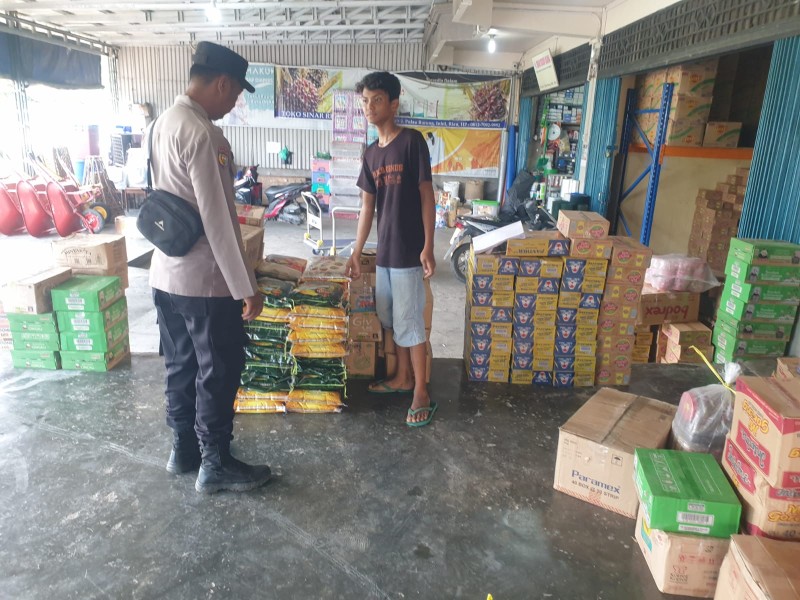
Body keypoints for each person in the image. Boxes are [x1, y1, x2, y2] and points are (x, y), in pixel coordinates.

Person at [148, 41, 271, 494]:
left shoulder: (163, 122)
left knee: (180, 363)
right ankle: (214, 463)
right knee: (218, 368)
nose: (234, 103)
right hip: (203, 282)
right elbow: (219, 221)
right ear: (222, 83)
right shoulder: (205, 134)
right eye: (236, 94)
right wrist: (246, 286)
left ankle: (183, 449)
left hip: (165, 274)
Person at [345, 71, 437, 427]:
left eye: (376, 100)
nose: (369, 107)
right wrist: (356, 252)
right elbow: (367, 207)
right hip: (384, 254)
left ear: (394, 103)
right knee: (389, 317)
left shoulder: (412, 142)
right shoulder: (370, 154)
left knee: (410, 323)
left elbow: (426, 195)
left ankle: (420, 394)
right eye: (365, 101)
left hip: (409, 252)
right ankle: (401, 377)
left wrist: (428, 246)